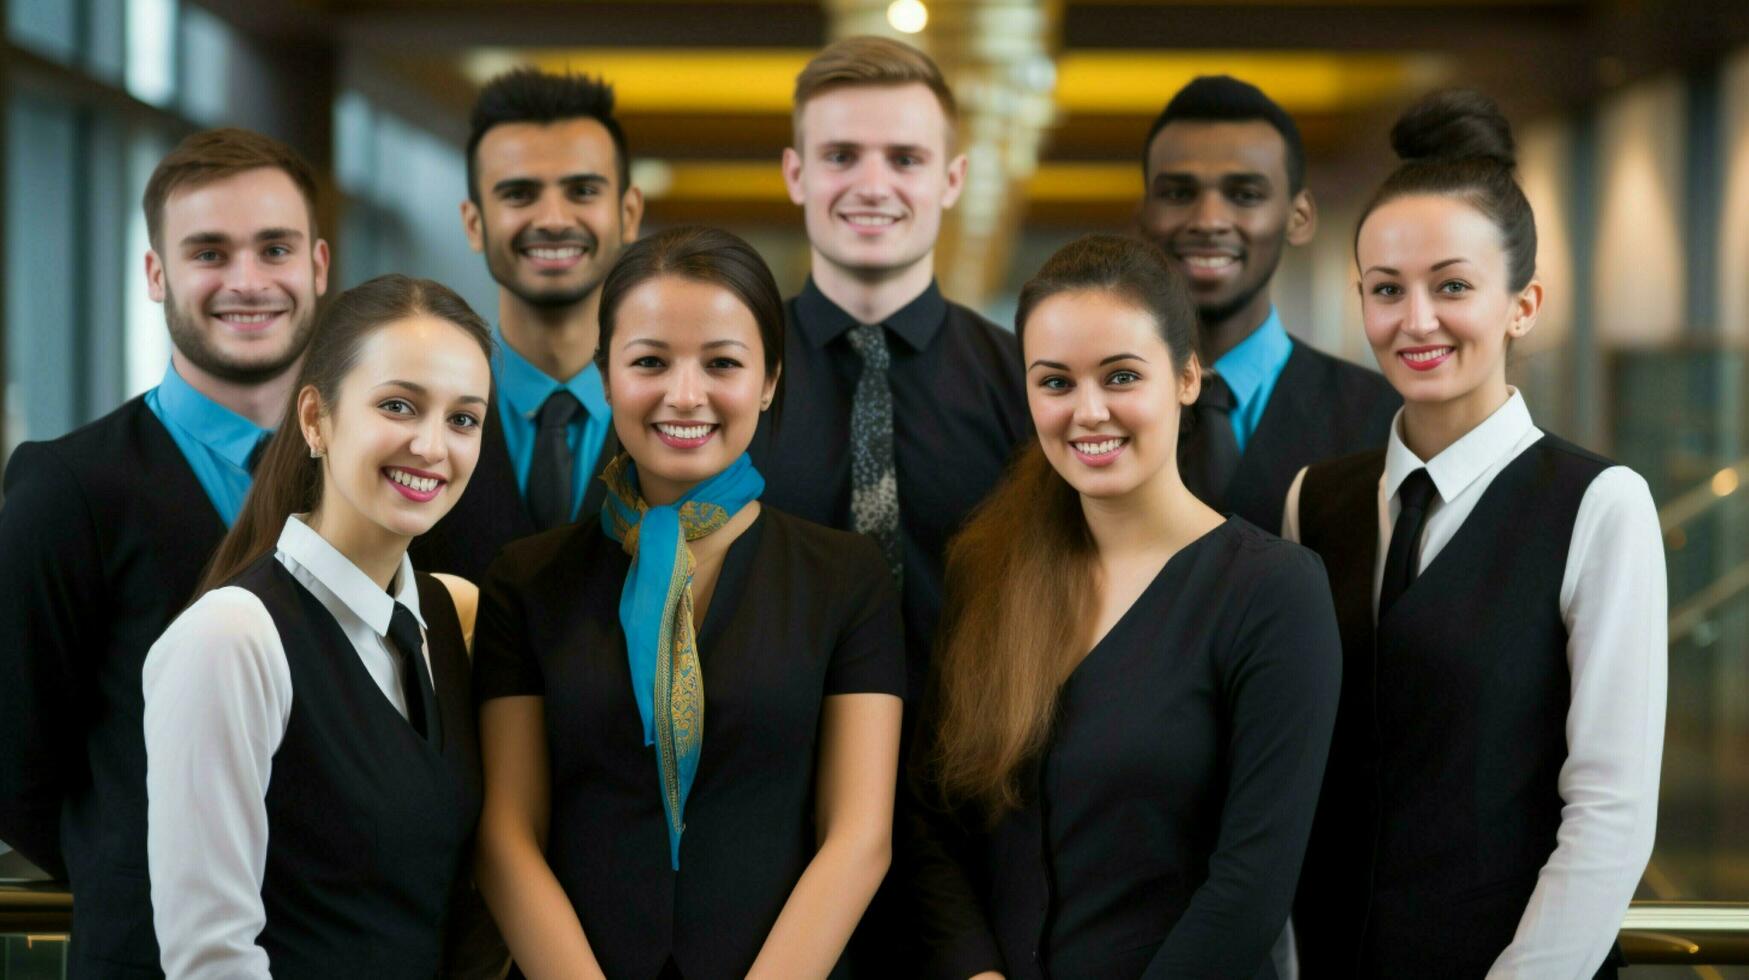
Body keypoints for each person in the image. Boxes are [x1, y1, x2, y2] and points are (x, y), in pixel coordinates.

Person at [1285, 91, 1665, 979]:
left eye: (1451, 286)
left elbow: (1609, 811)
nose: (1415, 320)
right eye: (1386, 290)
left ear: (1521, 305)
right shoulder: (1315, 501)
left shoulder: (1599, 505)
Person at [473, 226, 905, 980]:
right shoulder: (527, 580)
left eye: (721, 364)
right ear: (605, 376)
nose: (684, 395)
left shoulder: (847, 577)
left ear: (769, 378)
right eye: (648, 362)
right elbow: (507, 836)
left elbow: (858, 836)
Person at [908, 234, 1342, 980]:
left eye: (1119, 376)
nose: (1088, 412)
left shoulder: (1274, 591)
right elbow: (931, 819)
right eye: (1054, 383)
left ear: (1185, 379)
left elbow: (1251, 886)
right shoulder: (992, 572)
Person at [0, 128, 329, 977]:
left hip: (352, 944)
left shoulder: (382, 474)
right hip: (146, 954)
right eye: (209, 252)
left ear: (319, 266)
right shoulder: (66, 490)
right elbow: (16, 763)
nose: (248, 281)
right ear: (156, 275)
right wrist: (133, 864)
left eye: (275, 249)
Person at [143, 274, 493, 978]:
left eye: (463, 419)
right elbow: (210, 960)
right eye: (399, 405)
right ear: (315, 418)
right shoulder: (234, 637)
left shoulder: (448, 618)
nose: (432, 447)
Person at [755, 35, 1031, 696]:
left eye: (905, 159)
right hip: (766, 776)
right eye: (841, 156)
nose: (872, 185)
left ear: (952, 179)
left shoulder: (1025, 380)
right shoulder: (722, 379)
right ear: (796, 174)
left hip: (973, 777)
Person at [412, 68, 644, 582]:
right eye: (519, 194)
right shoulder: (409, 422)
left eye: (583, 190)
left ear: (628, 213)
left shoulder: (685, 412)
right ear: (474, 222)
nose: (554, 218)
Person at [1140, 75, 1399, 533]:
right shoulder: (1089, 409)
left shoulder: (1384, 418)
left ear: (1298, 218)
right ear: (1145, 214)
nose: (1208, 221)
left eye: (1245, 195)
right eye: (1179, 194)